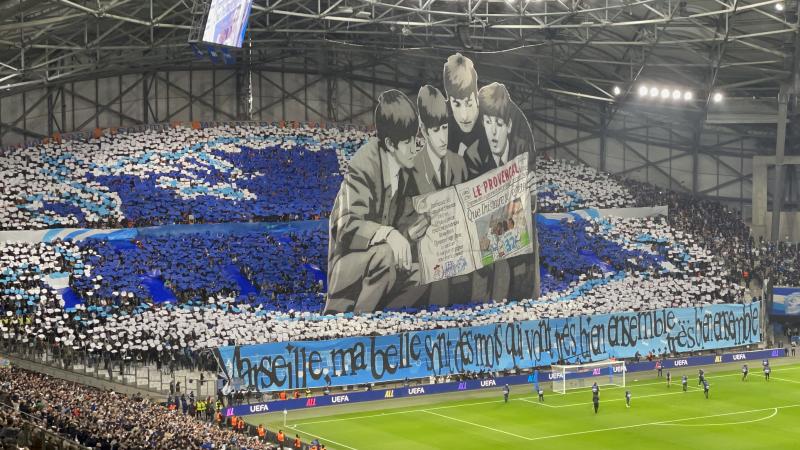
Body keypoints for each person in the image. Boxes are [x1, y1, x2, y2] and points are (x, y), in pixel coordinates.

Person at [325, 90, 430, 313]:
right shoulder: (364, 164)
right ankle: (359, 323)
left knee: (423, 274)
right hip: (349, 268)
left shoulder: (406, 171)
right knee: (385, 254)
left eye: (415, 139)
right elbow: (344, 226)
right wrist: (387, 234)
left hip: (382, 266)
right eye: (408, 142)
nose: (414, 147)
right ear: (390, 143)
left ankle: (385, 320)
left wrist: (410, 234)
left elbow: (402, 233)